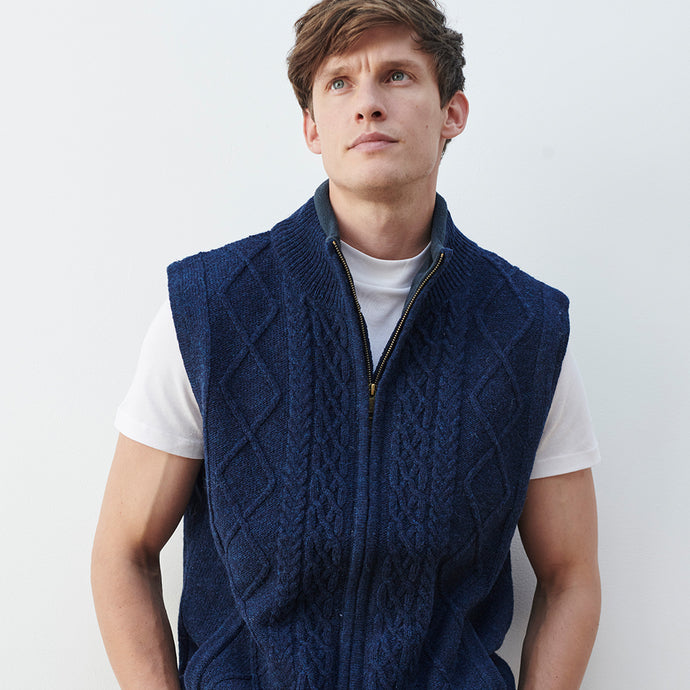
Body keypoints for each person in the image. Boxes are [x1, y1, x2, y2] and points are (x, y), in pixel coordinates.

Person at [91, 1, 601, 688]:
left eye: (397, 75)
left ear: (452, 113)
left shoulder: (526, 328)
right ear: (312, 126)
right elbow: (123, 551)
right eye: (339, 83)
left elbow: (570, 574)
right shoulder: (212, 308)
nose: (367, 103)